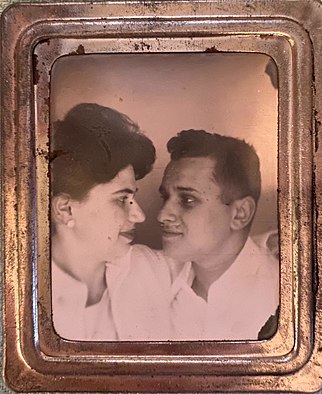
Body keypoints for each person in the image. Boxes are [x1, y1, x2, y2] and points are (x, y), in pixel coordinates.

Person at [51, 103, 171, 341]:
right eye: (121, 199)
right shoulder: (22, 297)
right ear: (65, 210)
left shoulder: (150, 266)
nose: (140, 215)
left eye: (133, 197)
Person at [157, 129, 279, 340]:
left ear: (240, 214)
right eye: (165, 197)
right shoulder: (150, 277)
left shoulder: (283, 293)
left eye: (187, 200)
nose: (162, 215)